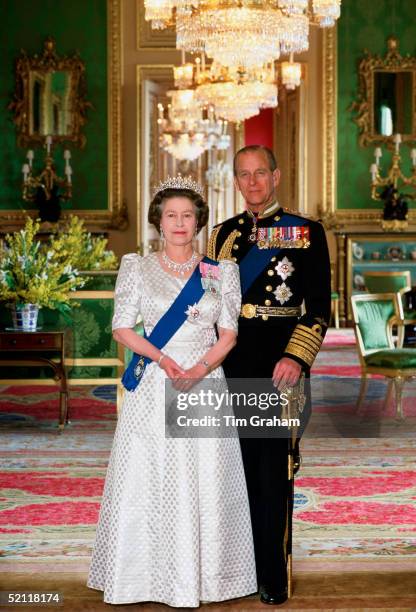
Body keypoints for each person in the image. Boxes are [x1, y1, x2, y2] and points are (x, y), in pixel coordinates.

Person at [87, 175, 257, 607]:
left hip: (204, 379)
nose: (179, 223)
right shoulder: (136, 267)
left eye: (187, 215)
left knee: (206, 479)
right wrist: (164, 361)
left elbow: (229, 335)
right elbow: (122, 328)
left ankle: (208, 578)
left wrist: (199, 369)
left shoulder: (221, 272)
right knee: (150, 476)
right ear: (158, 223)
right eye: (171, 216)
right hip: (154, 382)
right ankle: (142, 577)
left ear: (198, 221)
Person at [208, 145, 331, 605]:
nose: (253, 182)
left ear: (276, 176)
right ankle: (236, 569)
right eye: (244, 175)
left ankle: (272, 575)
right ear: (236, 181)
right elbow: (209, 305)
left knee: (270, 474)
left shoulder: (306, 232)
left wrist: (297, 359)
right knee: (231, 471)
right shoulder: (220, 236)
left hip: (278, 367)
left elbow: (319, 309)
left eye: (261, 173)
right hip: (230, 364)